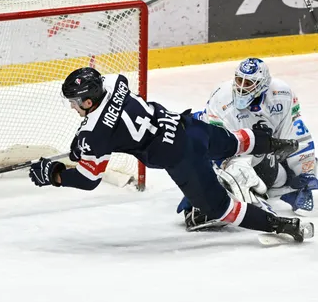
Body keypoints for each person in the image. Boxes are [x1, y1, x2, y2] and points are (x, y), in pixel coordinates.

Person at [28, 67, 312, 242]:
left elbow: (90, 178)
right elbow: (108, 121)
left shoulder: (94, 135)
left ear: (88, 100)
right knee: (232, 143)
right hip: (187, 127)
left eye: (75, 102)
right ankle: (276, 144)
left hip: (181, 160)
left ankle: (281, 225)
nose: (73, 107)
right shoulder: (117, 83)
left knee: (220, 209)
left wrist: (55, 175)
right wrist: (84, 144)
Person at [182, 58, 317, 227]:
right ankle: (239, 204)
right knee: (238, 173)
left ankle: (277, 190)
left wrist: (305, 171)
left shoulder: (282, 95)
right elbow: (215, 146)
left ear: (263, 84)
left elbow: (295, 132)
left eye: (249, 83)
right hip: (223, 150)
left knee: (278, 177)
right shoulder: (221, 99)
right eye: (239, 80)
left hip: (259, 151)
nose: (241, 86)